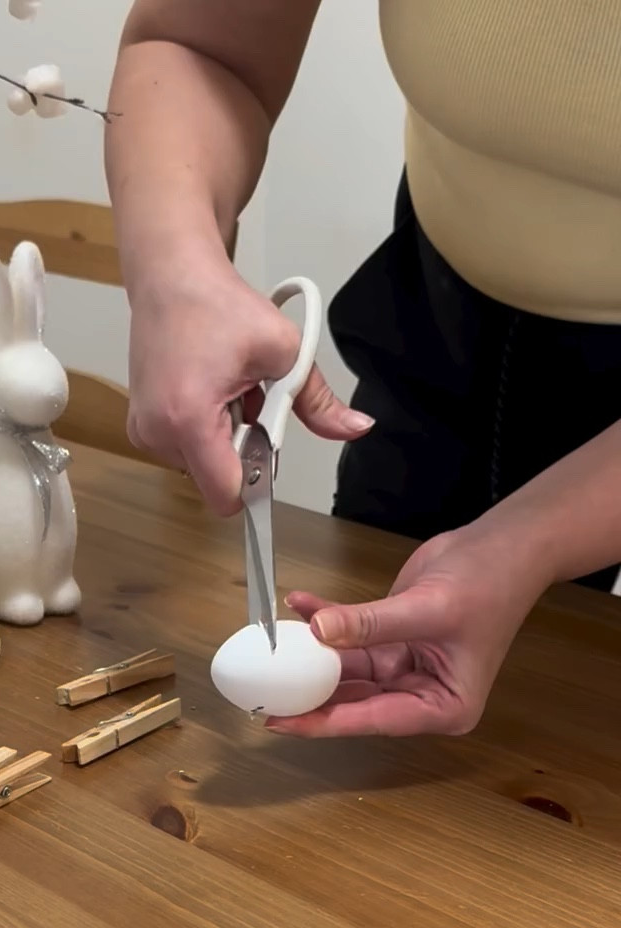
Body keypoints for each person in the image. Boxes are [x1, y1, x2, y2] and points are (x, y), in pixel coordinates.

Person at [105, 1, 621, 738]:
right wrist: (172, 273)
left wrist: (527, 541)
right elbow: (198, 42)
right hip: (435, 304)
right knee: (385, 688)